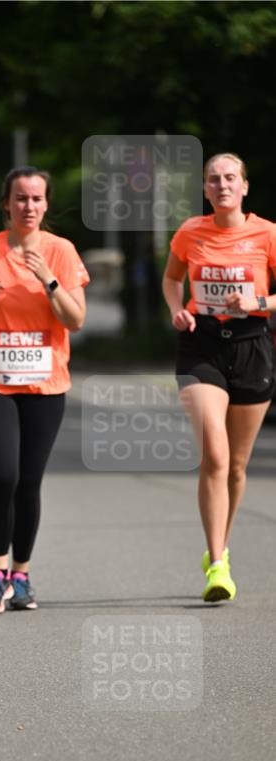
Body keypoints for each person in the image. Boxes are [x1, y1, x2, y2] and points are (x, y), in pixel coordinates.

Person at [0, 166, 89, 613]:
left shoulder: (62, 251)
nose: (27, 206)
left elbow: (75, 320)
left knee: (29, 481)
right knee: (3, 475)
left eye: (35, 199)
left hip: (46, 385)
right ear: (6, 204)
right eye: (19, 198)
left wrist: (48, 279)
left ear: (46, 204)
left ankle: (23, 575)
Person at [163, 153, 276, 602]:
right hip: (202, 345)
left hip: (252, 344)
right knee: (214, 453)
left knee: (237, 465)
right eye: (214, 179)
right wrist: (176, 309)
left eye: (230, 178)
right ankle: (215, 562)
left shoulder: (267, 233)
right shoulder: (191, 231)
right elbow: (173, 279)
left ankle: (220, 550)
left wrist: (257, 301)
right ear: (206, 189)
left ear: (244, 187)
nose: (222, 184)